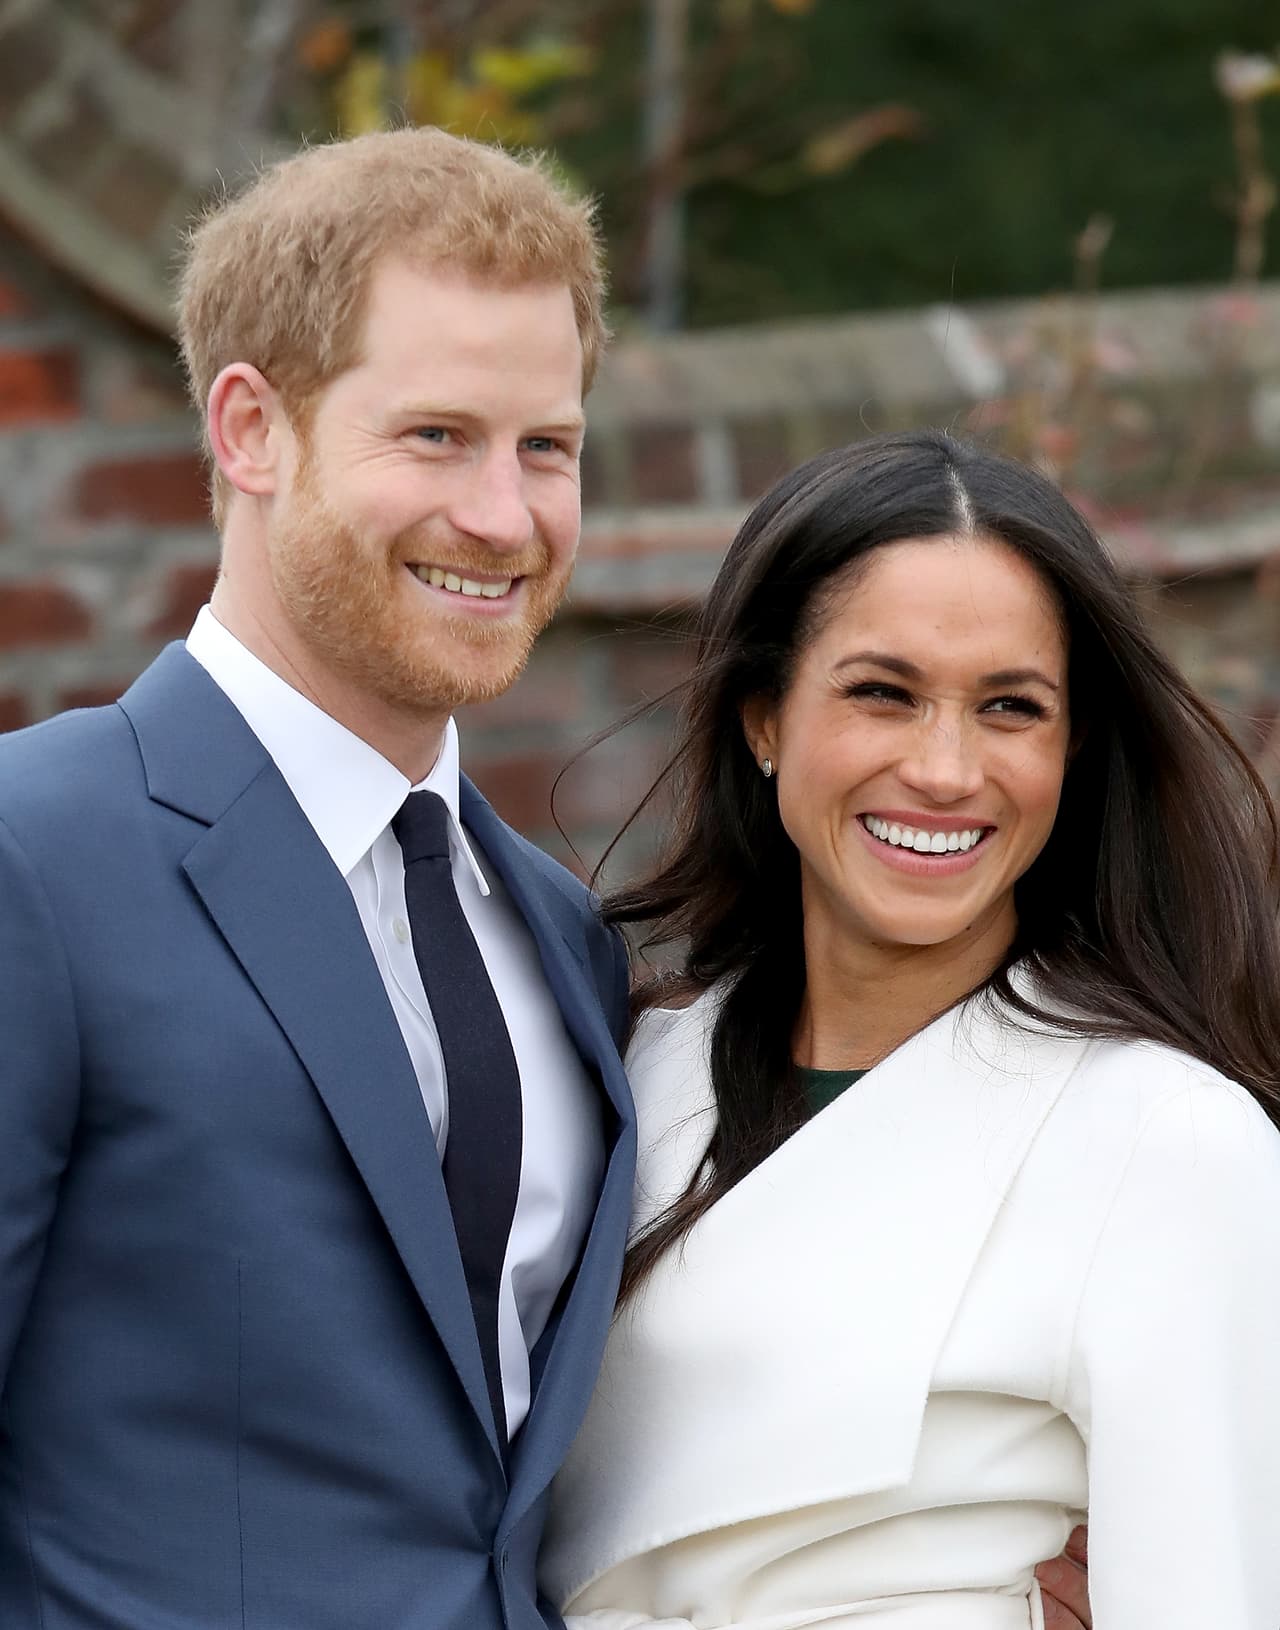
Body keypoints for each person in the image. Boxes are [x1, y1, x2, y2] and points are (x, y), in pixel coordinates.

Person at [0, 128, 636, 1629]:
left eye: (545, 446)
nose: (502, 514)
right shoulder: (34, 854)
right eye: (435, 436)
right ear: (249, 430)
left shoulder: (565, 936)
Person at [542, 429, 1280, 1629]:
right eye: (880, 692)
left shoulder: (1167, 1141)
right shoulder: (621, 1077)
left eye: (1009, 707)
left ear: (1070, 746)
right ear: (762, 716)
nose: (944, 768)